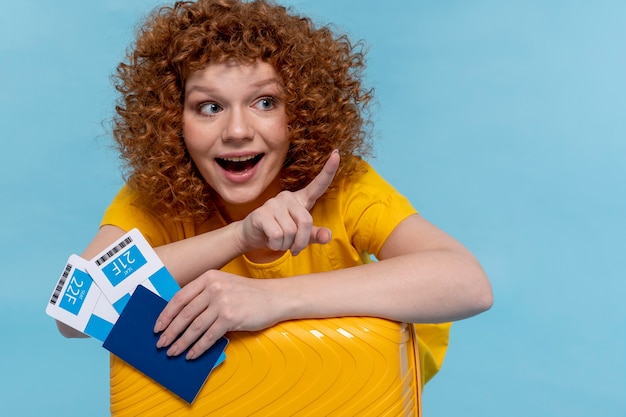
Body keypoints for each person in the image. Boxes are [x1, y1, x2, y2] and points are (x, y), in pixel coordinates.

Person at [56, 0, 493, 415]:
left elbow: (468, 283)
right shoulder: (153, 197)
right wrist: (240, 235)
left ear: (299, 112)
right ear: (174, 121)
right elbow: (75, 312)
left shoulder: (342, 184)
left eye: (265, 102)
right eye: (209, 107)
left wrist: (272, 299)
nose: (238, 130)